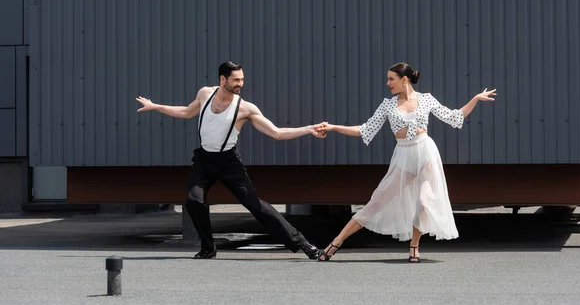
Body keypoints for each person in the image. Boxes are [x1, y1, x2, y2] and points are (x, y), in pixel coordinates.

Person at [136, 61, 326, 260]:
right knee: (193, 201)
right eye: (236, 80)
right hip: (204, 160)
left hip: (229, 163)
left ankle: (304, 244)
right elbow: (186, 112)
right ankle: (208, 248)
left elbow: (276, 133)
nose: (240, 84)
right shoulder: (205, 94)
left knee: (256, 206)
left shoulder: (245, 109)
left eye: (242, 80)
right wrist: (154, 106)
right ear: (222, 79)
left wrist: (308, 129)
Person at [316, 62, 496, 262]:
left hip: (426, 153)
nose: (388, 83)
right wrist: (333, 127)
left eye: (391, 79)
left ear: (404, 79)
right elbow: (364, 129)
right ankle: (335, 243)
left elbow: (454, 116)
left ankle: (414, 246)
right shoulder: (388, 104)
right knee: (377, 201)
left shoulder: (426, 99)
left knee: (424, 201)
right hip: (403, 155)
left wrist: (475, 99)